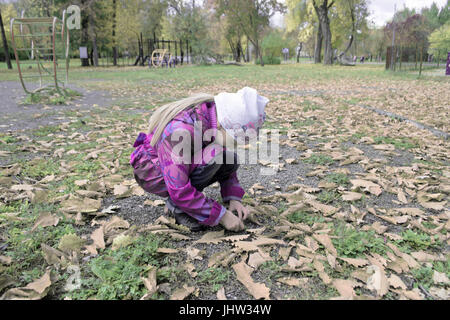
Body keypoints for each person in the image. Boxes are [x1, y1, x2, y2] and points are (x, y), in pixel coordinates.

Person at [130, 87, 270, 232]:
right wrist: (222, 216)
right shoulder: (179, 132)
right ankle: (178, 205)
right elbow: (178, 187)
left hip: (176, 165)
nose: (236, 144)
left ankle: (190, 201)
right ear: (223, 126)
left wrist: (233, 198)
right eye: (235, 140)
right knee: (216, 155)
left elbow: (227, 164)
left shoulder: (210, 117)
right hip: (155, 173)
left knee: (228, 157)